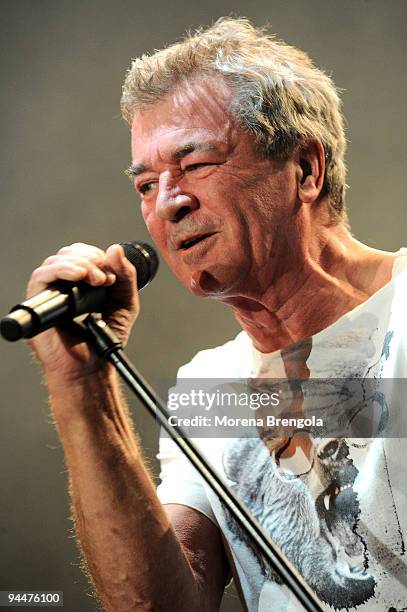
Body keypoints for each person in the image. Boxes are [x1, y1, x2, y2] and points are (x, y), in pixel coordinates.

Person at [27, 18, 406, 612]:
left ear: (305, 170)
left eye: (195, 163)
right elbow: (159, 606)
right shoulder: (209, 389)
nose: (168, 203)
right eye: (146, 184)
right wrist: (82, 387)